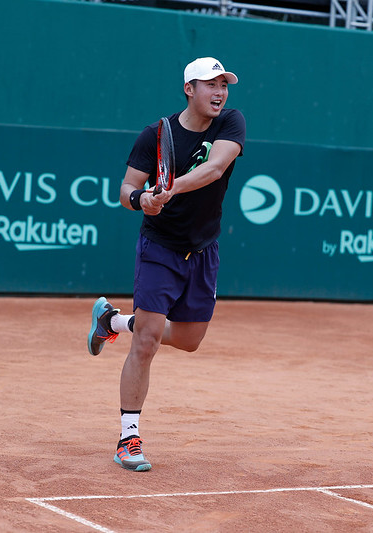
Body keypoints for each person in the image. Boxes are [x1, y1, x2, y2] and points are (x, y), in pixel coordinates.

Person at [86, 57, 246, 472]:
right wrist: (142, 199)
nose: (219, 92)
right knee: (149, 339)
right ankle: (129, 437)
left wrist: (168, 190)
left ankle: (113, 322)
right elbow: (125, 189)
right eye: (210, 85)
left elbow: (213, 169)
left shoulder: (231, 122)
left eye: (223, 85)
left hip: (203, 249)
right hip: (160, 247)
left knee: (190, 340)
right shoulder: (155, 135)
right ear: (189, 89)